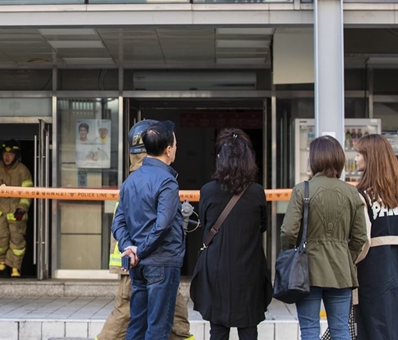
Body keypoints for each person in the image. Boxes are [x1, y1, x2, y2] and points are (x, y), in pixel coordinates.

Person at [97, 119, 195, 340]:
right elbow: (162, 225)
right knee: (159, 326)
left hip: (135, 264)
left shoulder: (131, 181)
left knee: (137, 324)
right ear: (167, 149)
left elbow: (118, 222)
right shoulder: (167, 181)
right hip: (157, 262)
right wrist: (139, 250)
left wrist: (130, 249)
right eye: (175, 144)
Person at [281, 135, 367, 340]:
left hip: (307, 270)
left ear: (314, 160)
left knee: (310, 330)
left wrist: (293, 253)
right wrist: (346, 257)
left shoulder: (302, 190)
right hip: (341, 271)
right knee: (341, 330)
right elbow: (360, 237)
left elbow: (288, 232)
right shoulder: (351, 192)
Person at [193, 129, 272, 340]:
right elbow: (262, 226)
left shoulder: (208, 190)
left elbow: (206, 225)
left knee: (217, 330)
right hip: (249, 268)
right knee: (248, 329)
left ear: (220, 159)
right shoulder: (256, 192)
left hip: (216, 268)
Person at [353, 134, 398, 340]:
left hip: (373, 269)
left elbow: (362, 239)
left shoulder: (363, 194)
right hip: (393, 265)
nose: (356, 159)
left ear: (371, 158)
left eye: (359, 154)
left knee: (374, 325)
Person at [0, 139, 33, 277]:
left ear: (17, 156)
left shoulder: (23, 171)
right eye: (5, 154)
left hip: (17, 213)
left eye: (11, 154)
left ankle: (15, 267)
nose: (7, 157)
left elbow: (28, 192)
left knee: (17, 240)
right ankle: (1, 261)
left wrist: (22, 208)